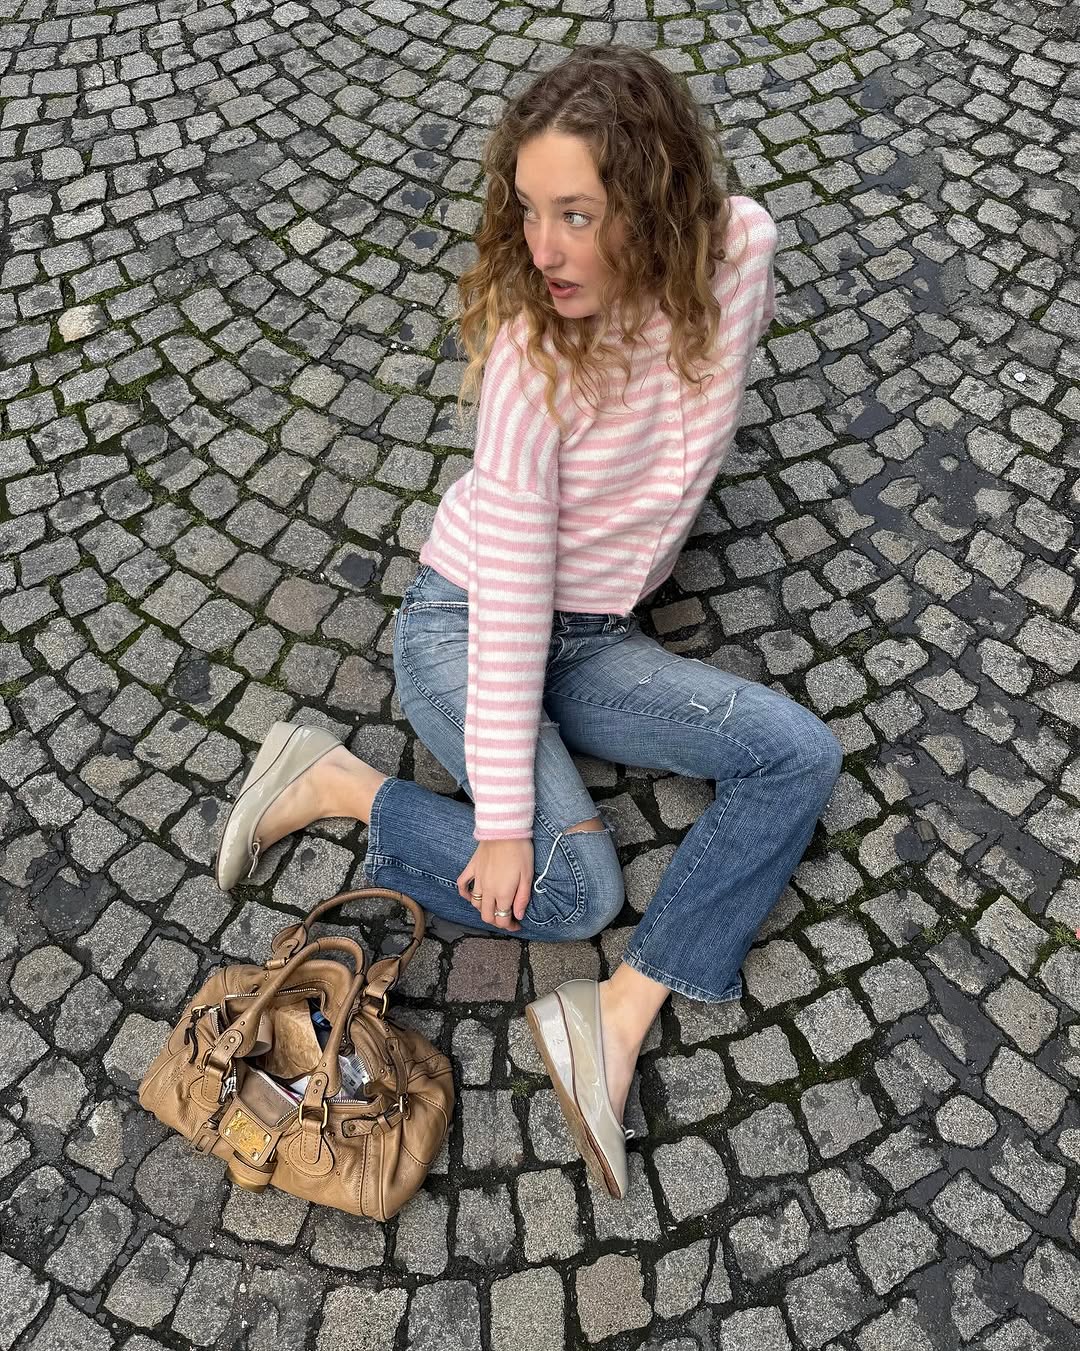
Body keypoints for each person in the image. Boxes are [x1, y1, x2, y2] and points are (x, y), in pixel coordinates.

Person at [214, 45, 843, 1200]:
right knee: (570, 891)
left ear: (655, 203)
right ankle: (341, 783)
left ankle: (619, 1011)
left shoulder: (741, 249)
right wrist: (501, 822)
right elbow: (507, 597)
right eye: (527, 209)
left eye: (576, 215)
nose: (541, 248)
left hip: (593, 632)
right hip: (467, 621)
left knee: (798, 755)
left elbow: (693, 391)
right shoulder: (531, 360)